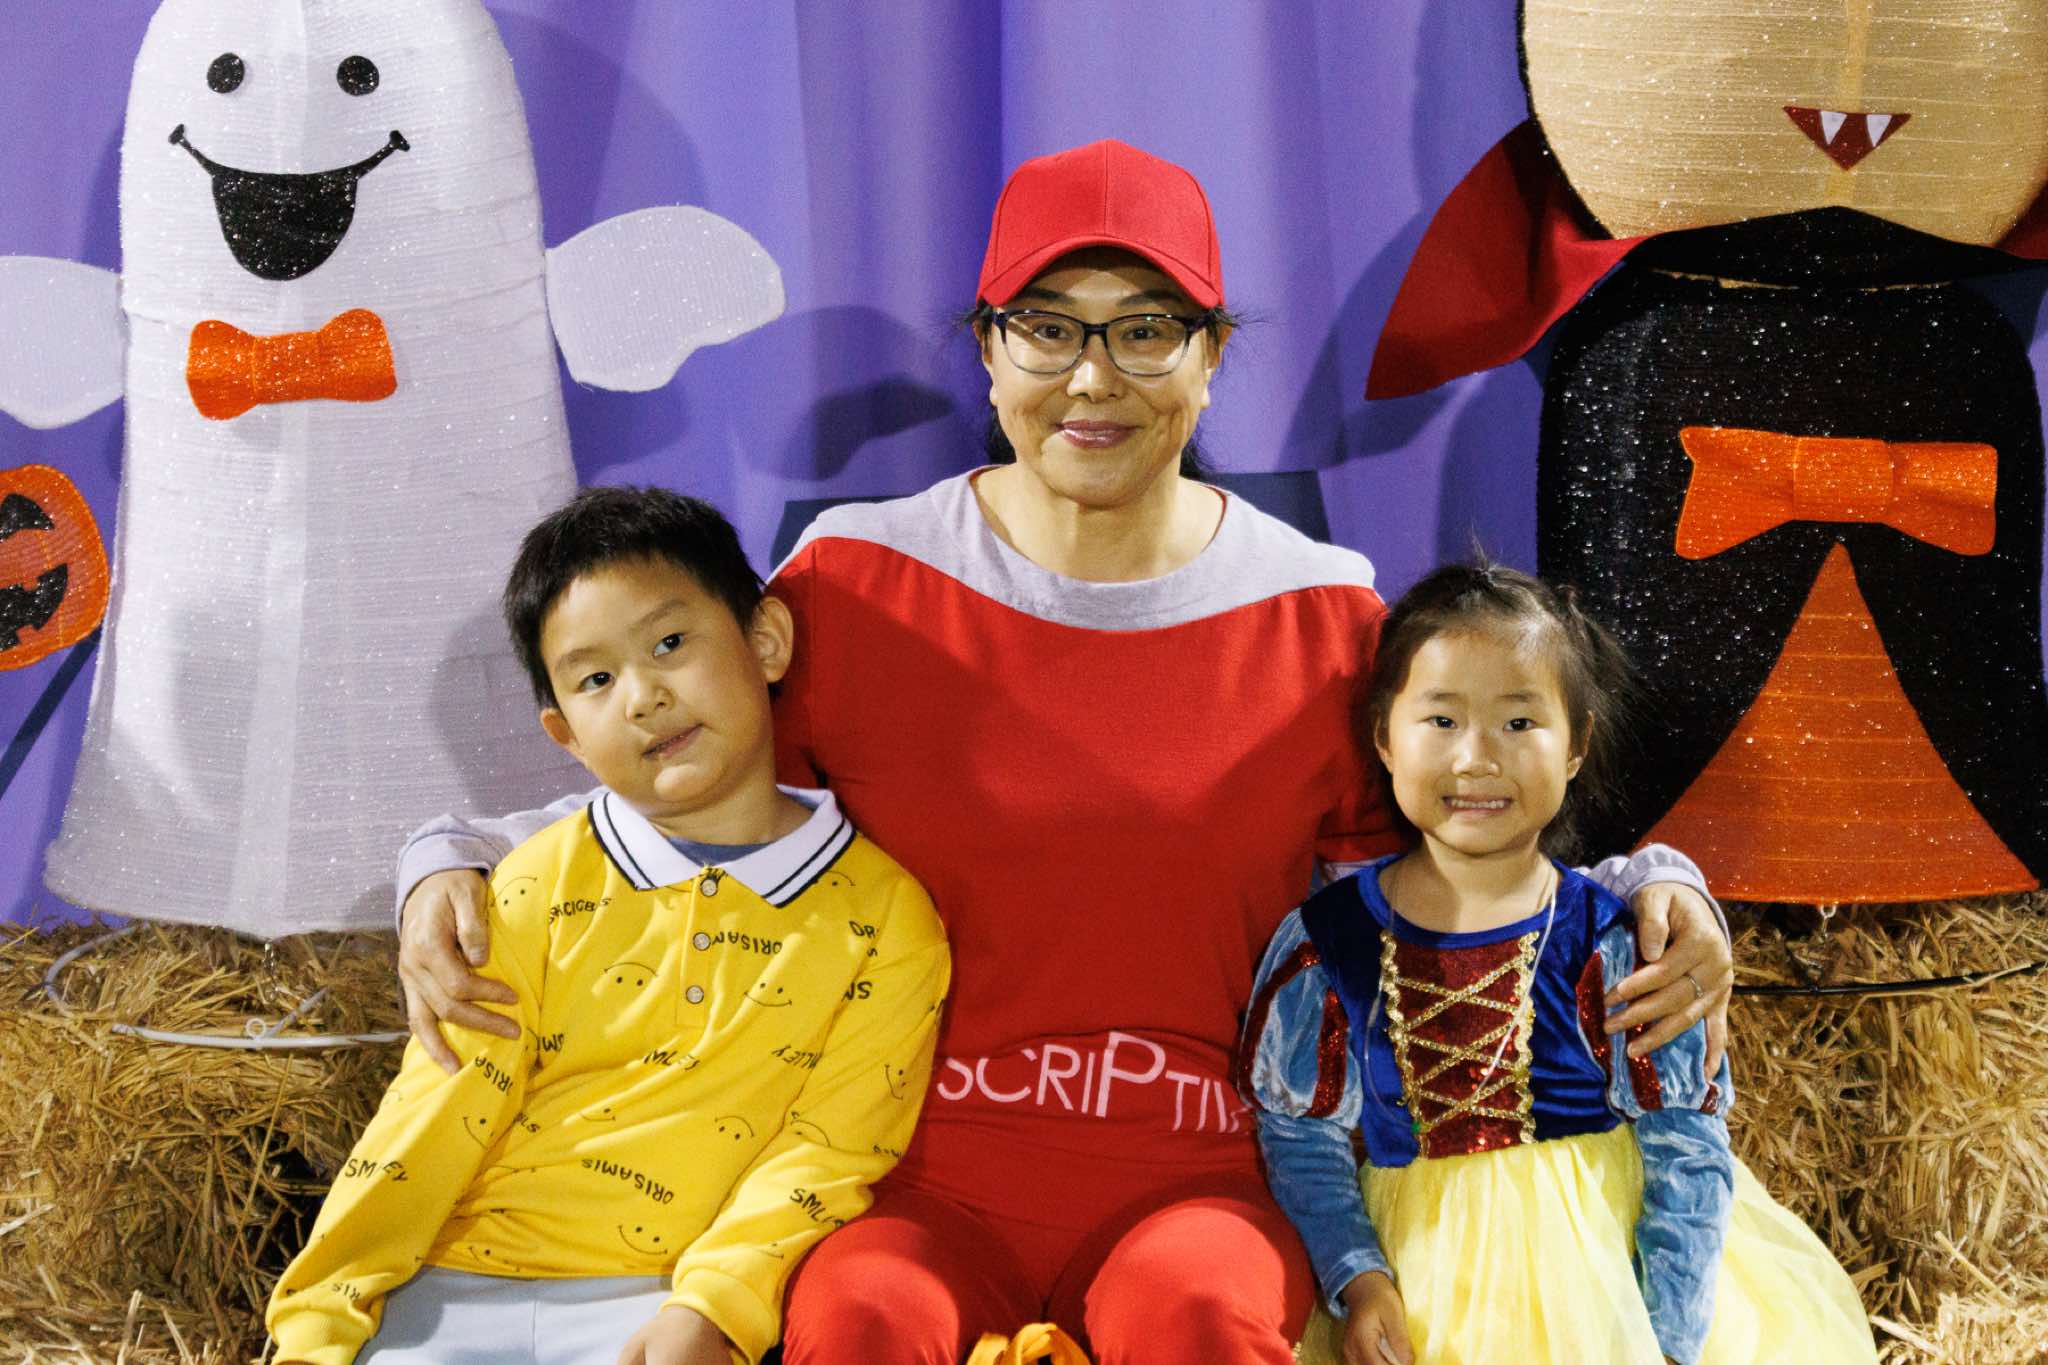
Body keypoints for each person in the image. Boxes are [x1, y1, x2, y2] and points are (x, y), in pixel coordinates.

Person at [390, 140, 1736, 1363]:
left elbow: (1473, 847)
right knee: (857, 1324)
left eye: (1145, 330)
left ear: (1210, 358)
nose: (1094, 378)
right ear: (988, 353)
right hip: (906, 1171)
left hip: (1199, 1175)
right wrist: (446, 862)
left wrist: (1657, 885)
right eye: (1047, 328)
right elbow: (678, 789)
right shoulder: (855, 582)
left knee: (1202, 1322)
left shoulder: (1325, 616)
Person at [267, 488, 949, 1365]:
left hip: (661, 1306)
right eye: (596, 680)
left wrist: (712, 1309)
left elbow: (824, 1154)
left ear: (766, 640)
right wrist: (320, 1320)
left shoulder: (886, 923)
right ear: (566, 734)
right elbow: (432, 1111)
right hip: (445, 1287)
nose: (643, 696)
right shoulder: (532, 881)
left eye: (670, 643)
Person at [1242, 563, 1874, 1365]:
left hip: (1607, 1291)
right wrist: (1359, 1277)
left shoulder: (1614, 941)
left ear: (1576, 744)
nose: (1477, 757)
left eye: (1518, 721)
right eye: (1441, 718)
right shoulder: (1327, 944)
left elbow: (1685, 1144)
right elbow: (1300, 1134)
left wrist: (1667, 1342)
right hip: (1422, 1288)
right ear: (1384, 737)